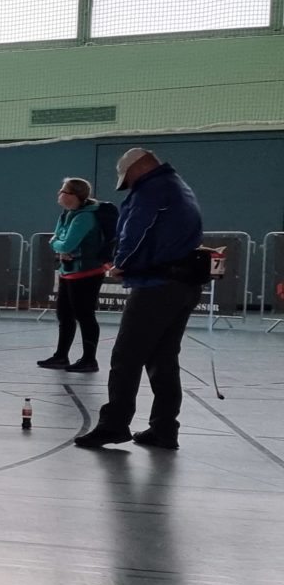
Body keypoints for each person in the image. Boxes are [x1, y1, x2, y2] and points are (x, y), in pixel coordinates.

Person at [76, 148, 205, 450]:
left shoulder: (152, 189)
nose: (128, 185)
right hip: (185, 283)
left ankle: (114, 425)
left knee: (126, 356)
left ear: (140, 167)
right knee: (163, 357)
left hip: (157, 285)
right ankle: (164, 428)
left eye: (128, 179)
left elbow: (137, 229)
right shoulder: (178, 187)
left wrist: (121, 263)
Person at [41, 177, 111, 373]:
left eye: (63, 190)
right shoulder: (67, 214)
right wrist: (59, 245)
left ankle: (89, 359)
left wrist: (57, 244)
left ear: (74, 196)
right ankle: (61, 356)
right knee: (64, 315)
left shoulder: (84, 218)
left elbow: (64, 243)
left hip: (87, 273)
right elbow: (59, 240)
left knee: (85, 315)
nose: (59, 193)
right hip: (68, 272)